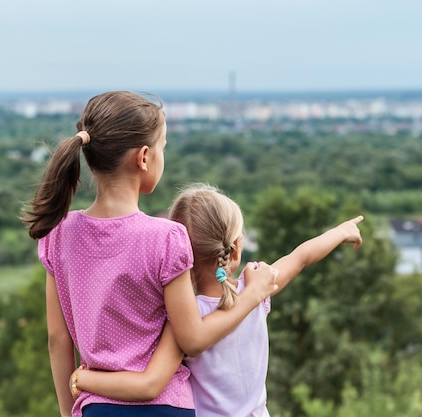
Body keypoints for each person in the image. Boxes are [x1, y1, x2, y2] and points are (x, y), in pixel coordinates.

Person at [20, 92, 279, 417]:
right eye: (163, 148)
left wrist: (68, 411)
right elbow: (194, 339)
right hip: (166, 407)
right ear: (144, 157)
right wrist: (252, 295)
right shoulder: (166, 238)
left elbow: (58, 340)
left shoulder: (59, 234)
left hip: (96, 407)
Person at [69, 183, 364, 416]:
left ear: (178, 256)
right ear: (235, 251)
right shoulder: (257, 289)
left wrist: (84, 380)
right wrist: (341, 231)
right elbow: (300, 258)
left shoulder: (182, 319)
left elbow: (149, 380)